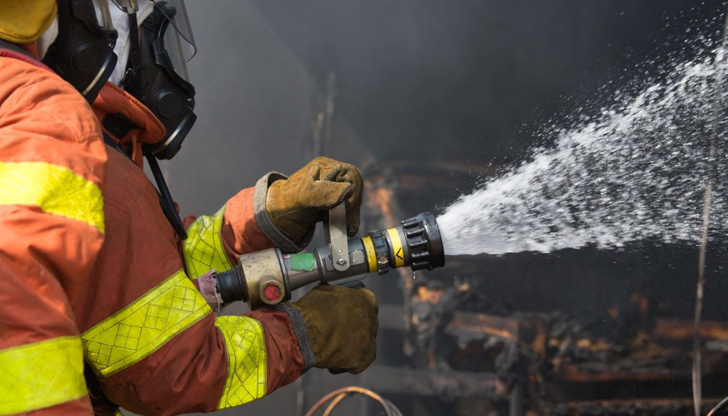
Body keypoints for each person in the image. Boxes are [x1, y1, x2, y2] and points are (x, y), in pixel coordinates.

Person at [0, 1, 379, 415]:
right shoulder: (53, 129)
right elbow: (168, 370)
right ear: (88, 31)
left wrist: (265, 217)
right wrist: (304, 336)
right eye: (150, 30)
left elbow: (140, 287)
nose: (157, 56)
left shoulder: (27, 116)